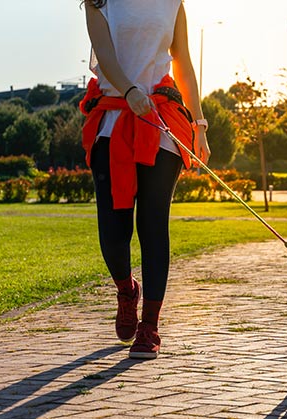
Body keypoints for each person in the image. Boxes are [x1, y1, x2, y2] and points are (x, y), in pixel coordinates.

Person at [79, 0, 210, 359]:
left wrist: (198, 124)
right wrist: (129, 90)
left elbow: (182, 59)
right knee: (113, 229)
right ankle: (126, 290)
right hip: (114, 119)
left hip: (161, 119)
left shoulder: (173, 2)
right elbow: (105, 55)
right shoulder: (99, 2)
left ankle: (149, 325)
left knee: (153, 224)